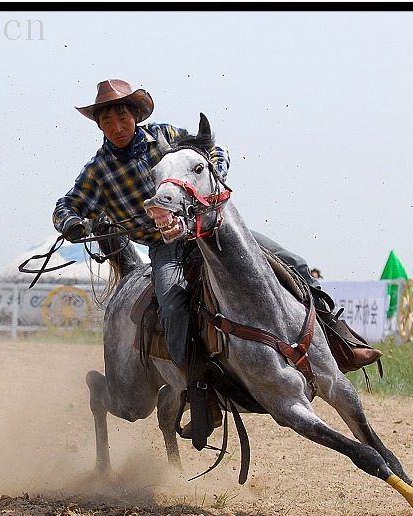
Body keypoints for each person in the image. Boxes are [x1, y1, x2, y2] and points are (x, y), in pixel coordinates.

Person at [52, 79, 381, 435]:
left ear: (135, 115)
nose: (117, 127)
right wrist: (71, 222)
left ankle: (338, 340)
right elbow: (66, 206)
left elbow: (214, 153)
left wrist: (210, 176)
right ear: (99, 125)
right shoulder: (98, 171)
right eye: (107, 121)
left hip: (211, 227)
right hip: (168, 247)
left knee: (294, 263)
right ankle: (197, 391)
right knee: (174, 303)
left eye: (122, 117)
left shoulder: (167, 137)